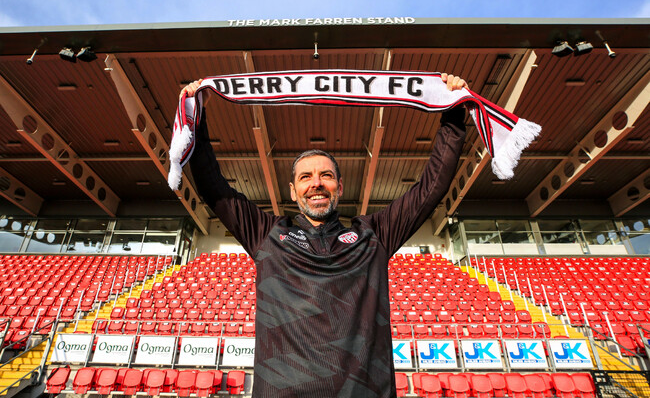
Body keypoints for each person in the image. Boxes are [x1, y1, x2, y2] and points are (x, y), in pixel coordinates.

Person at [183, 73, 468, 398]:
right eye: (306, 177)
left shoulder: (373, 236)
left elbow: (430, 188)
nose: (316, 183)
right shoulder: (268, 234)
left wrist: (452, 113)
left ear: (339, 186)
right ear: (293, 191)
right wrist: (197, 117)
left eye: (326, 175)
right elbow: (213, 186)